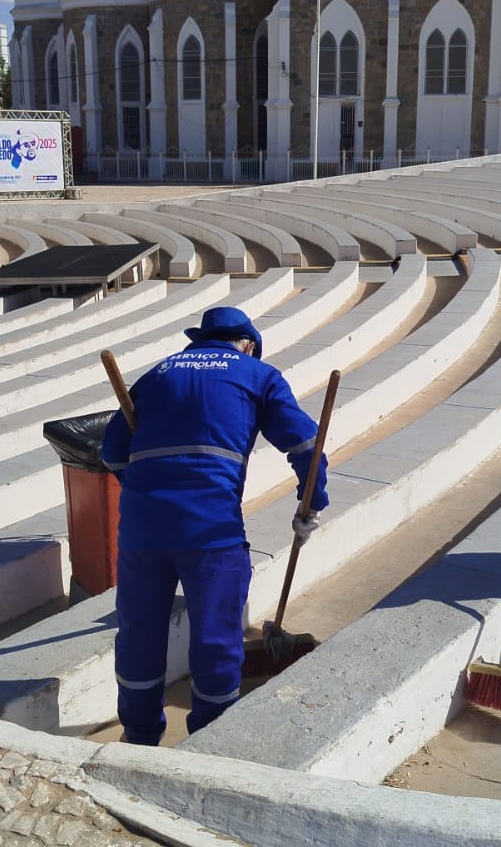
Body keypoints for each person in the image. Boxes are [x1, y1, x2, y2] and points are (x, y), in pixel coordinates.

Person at [101, 306, 330, 745]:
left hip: (141, 526)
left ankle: (139, 737)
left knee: (139, 633)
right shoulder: (257, 374)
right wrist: (311, 504)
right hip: (210, 529)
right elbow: (305, 445)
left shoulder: (157, 375)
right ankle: (209, 740)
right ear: (247, 344)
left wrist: (150, 490)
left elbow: (112, 452)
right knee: (215, 636)